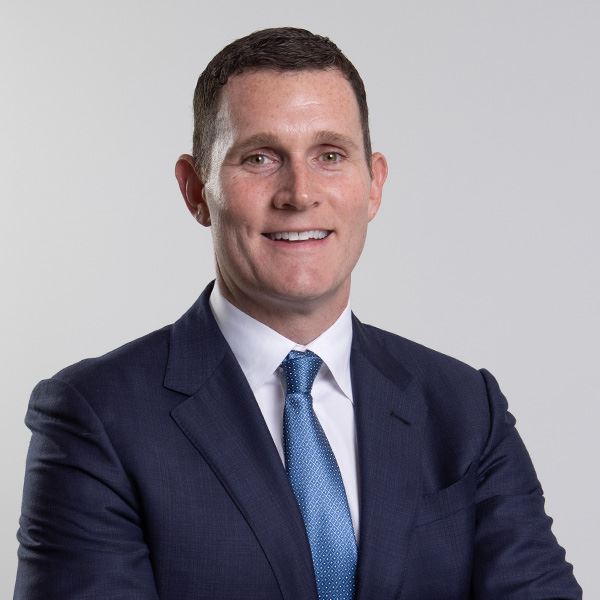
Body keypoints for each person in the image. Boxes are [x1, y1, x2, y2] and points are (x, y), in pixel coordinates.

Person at [14, 27, 581, 600]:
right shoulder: (97, 417)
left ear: (373, 184)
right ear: (195, 190)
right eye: (260, 158)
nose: (299, 193)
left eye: (330, 155)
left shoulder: (465, 408)